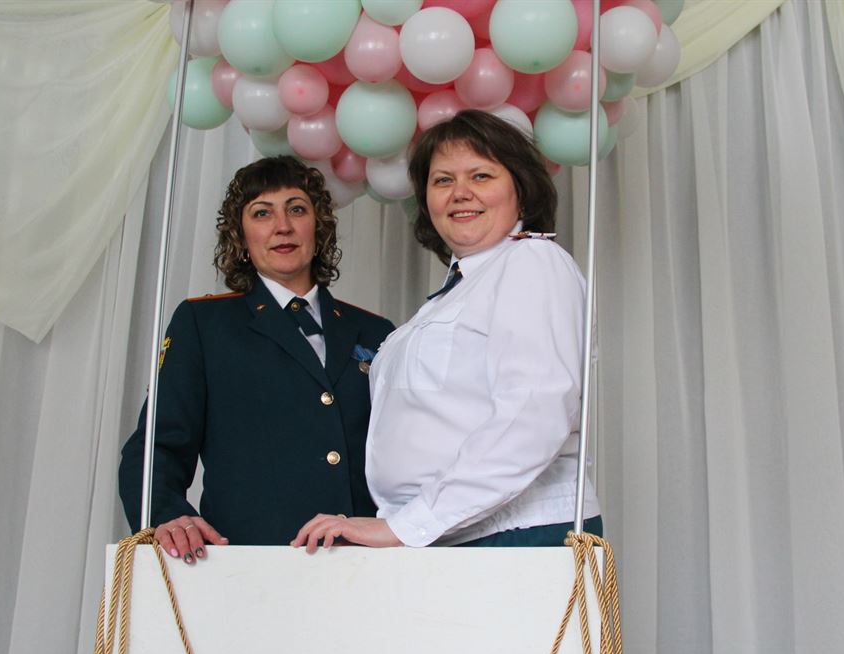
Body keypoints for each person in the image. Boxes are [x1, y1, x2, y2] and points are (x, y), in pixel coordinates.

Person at [292, 110, 601, 552]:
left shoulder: (531, 262)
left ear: (520, 189)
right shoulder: (455, 292)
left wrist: (409, 525)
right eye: (442, 181)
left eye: (481, 175)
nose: (460, 193)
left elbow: (533, 413)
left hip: (514, 533)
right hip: (451, 532)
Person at [119, 156, 394, 562]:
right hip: (247, 564)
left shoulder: (376, 331)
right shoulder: (204, 324)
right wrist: (167, 515)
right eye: (262, 213)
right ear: (241, 235)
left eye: (296, 209)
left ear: (318, 226)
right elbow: (156, 447)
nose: (282, 226)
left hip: (367, 563)